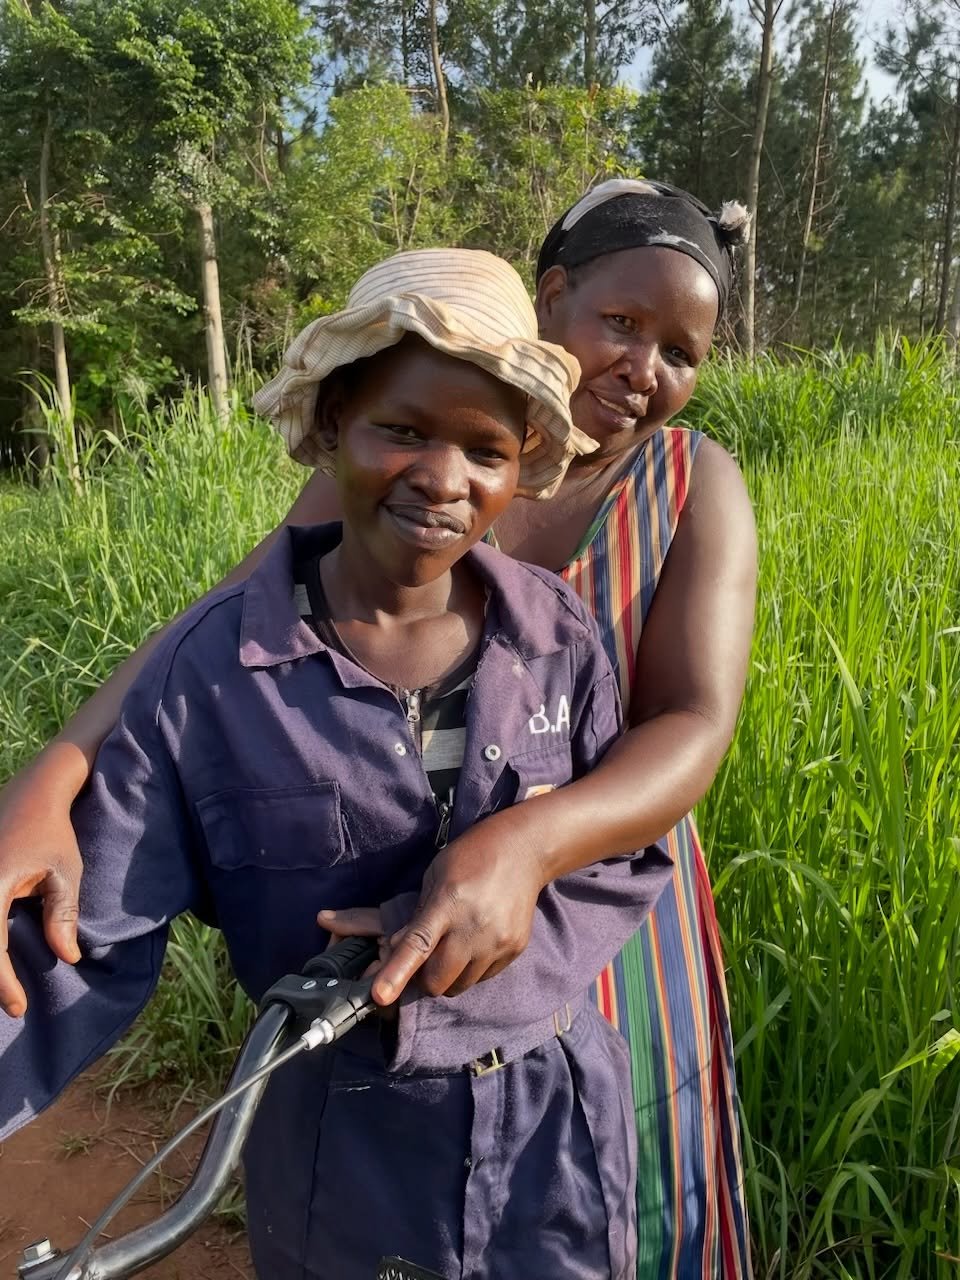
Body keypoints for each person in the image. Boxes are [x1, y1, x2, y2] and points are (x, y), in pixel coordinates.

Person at [0, 180, 758, 1277]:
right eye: (623, 325)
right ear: (556, 296)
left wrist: (530, 845)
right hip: (358, 1001)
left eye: (681, 352)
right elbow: (218, 639)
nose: (646, 368)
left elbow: (691, 720)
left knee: (596, 1178)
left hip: (583, 901)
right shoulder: (385, 449)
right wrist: (56, 769)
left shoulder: (687, 486)